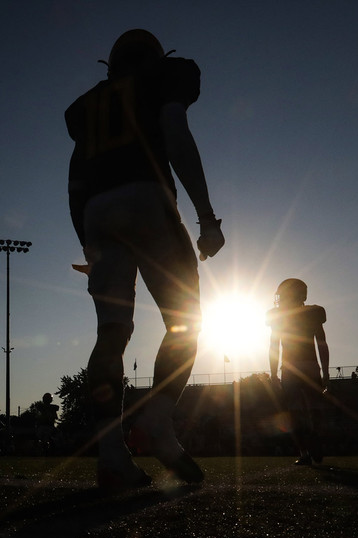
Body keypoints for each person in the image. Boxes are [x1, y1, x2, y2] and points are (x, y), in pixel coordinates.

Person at [64, 29, 224, 489]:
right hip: (147, 198)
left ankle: (112, 454)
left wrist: (87, 246)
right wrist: (207, 218)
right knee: (186, 321)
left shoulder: (87, 107)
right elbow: (175, 135)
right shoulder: (168, 76)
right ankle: (157, 421)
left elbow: (75, 182)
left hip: (98, 213)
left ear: (111, 66)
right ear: (157, 56)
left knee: (111, 334)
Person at [266, 278, 330, 465]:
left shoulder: (277, 316)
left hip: (290, 367)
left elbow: (273, 347)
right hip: (310, 365)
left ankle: (304, 454)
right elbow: (322, 344)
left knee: (293, 412)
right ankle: (315, 438)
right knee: (315, 408)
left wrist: (273, 374)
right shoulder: (313, 312)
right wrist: (325, 372)